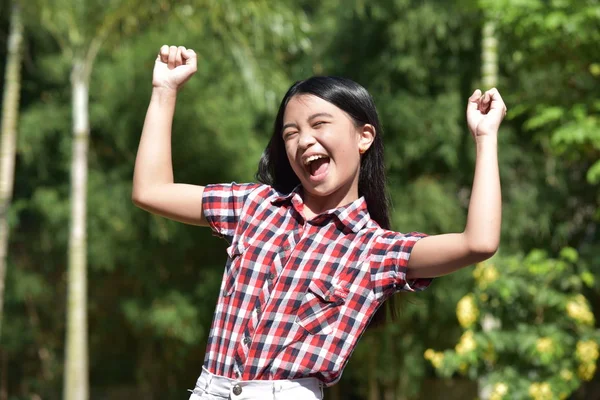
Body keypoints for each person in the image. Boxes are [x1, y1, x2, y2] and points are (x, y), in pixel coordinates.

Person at [132, 45, 506, 400]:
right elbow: (152, 190)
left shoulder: (373, 251)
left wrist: (485, 139)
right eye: (290, 133)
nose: (302, 141)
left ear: (364, 137)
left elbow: (478, 243)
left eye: (319, 124)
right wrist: (164, 90)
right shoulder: (254, 206)